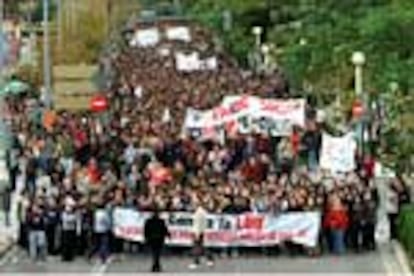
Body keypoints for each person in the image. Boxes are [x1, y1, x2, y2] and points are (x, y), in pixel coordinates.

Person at [189, 202, 214, 270]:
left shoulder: (199, 213)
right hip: (201, 231)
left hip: (198, 231)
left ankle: (196, 262)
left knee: (196, 247)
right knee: (201, 247)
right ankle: (209, 259)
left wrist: (197, 233)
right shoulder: (202, 212)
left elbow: (198, 224)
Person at [144, 208, 170, 272]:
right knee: (158, 252)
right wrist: (168, 235)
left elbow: (146, 230)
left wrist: (146, 238)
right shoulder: (161, 221)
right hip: (159, 238)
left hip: (152, 238)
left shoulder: (148, 221)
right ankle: (156, 265)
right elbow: (164, 229)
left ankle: (155, 264)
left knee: (154, 252)